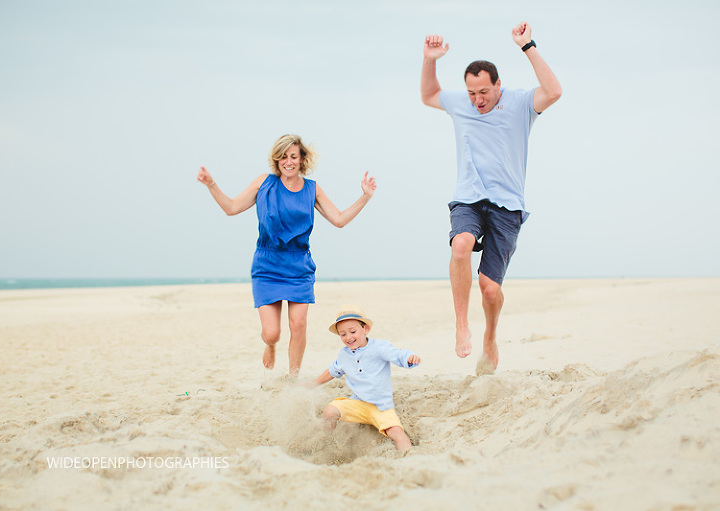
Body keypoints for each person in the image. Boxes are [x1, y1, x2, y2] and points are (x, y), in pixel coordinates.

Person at [420, 21, 562, 371]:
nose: (477, 99)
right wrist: (430, 60)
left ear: (498, 85)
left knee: (489, 290)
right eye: (471, 93)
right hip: (468, 197)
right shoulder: (461, 104)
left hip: (508, 206)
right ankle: (462, 325)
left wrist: (527, 46)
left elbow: (555, 91)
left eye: (484, 91)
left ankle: (490, 337)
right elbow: (428, 95)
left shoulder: (520, 104)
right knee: (461, 245)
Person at [197, 134, 376, 377]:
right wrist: (211, 184)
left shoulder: (312, 189)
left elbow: (339, 220)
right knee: (272, 333)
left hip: (298, 265)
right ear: (276, 159)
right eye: (283, 157)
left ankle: (293, 379)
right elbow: (231, 208)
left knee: (299, 325)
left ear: (302, 159)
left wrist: (365, 196)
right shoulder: (264, 183)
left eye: (293, 156)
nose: (288, 161)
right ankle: (270, 346)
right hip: (267, 263)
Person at [309, 305, 420, 451]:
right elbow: (332, 371)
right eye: (343, 334)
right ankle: (325, 445)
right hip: (358, 404)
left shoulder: (379, 347)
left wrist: (409, 358)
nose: (348, 337)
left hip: (381, 406)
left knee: (397, 432)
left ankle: (408, 457)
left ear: (365, 329)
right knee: (330, 411)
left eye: (353, 332)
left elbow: (396, 354)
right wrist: (313, 384)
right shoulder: (344, 355)